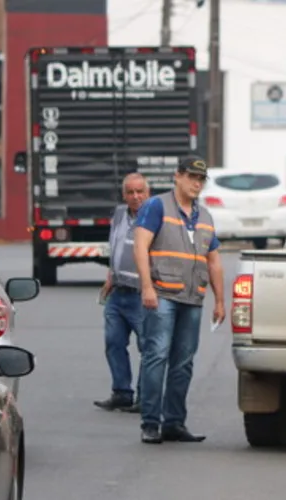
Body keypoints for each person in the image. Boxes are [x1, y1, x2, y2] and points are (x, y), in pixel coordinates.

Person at [133, 156, 226, 444]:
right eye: (191, 177)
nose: (196, 184)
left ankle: (174, 422)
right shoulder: (156, 206)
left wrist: (220, 300)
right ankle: (151, 422)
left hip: (192, 298)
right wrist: (146, 287)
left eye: (201, 179)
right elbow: (140, 245)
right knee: (157, 355)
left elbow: (214, 262)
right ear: (177, 176)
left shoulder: (206, 217)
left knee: (183, 362)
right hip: (161, 294)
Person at [94, 173, 151, 413]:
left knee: (148, 348)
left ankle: (144, 397)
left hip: (142, 294)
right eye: (131, 192)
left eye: (140, 192)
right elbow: (115, 246)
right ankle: (122, 392)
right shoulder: (119, 214)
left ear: (148, 193)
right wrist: (110, 277)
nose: (136, 197)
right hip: (118, 293)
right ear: (124, 194)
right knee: (113, 343)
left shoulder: (155, 216)